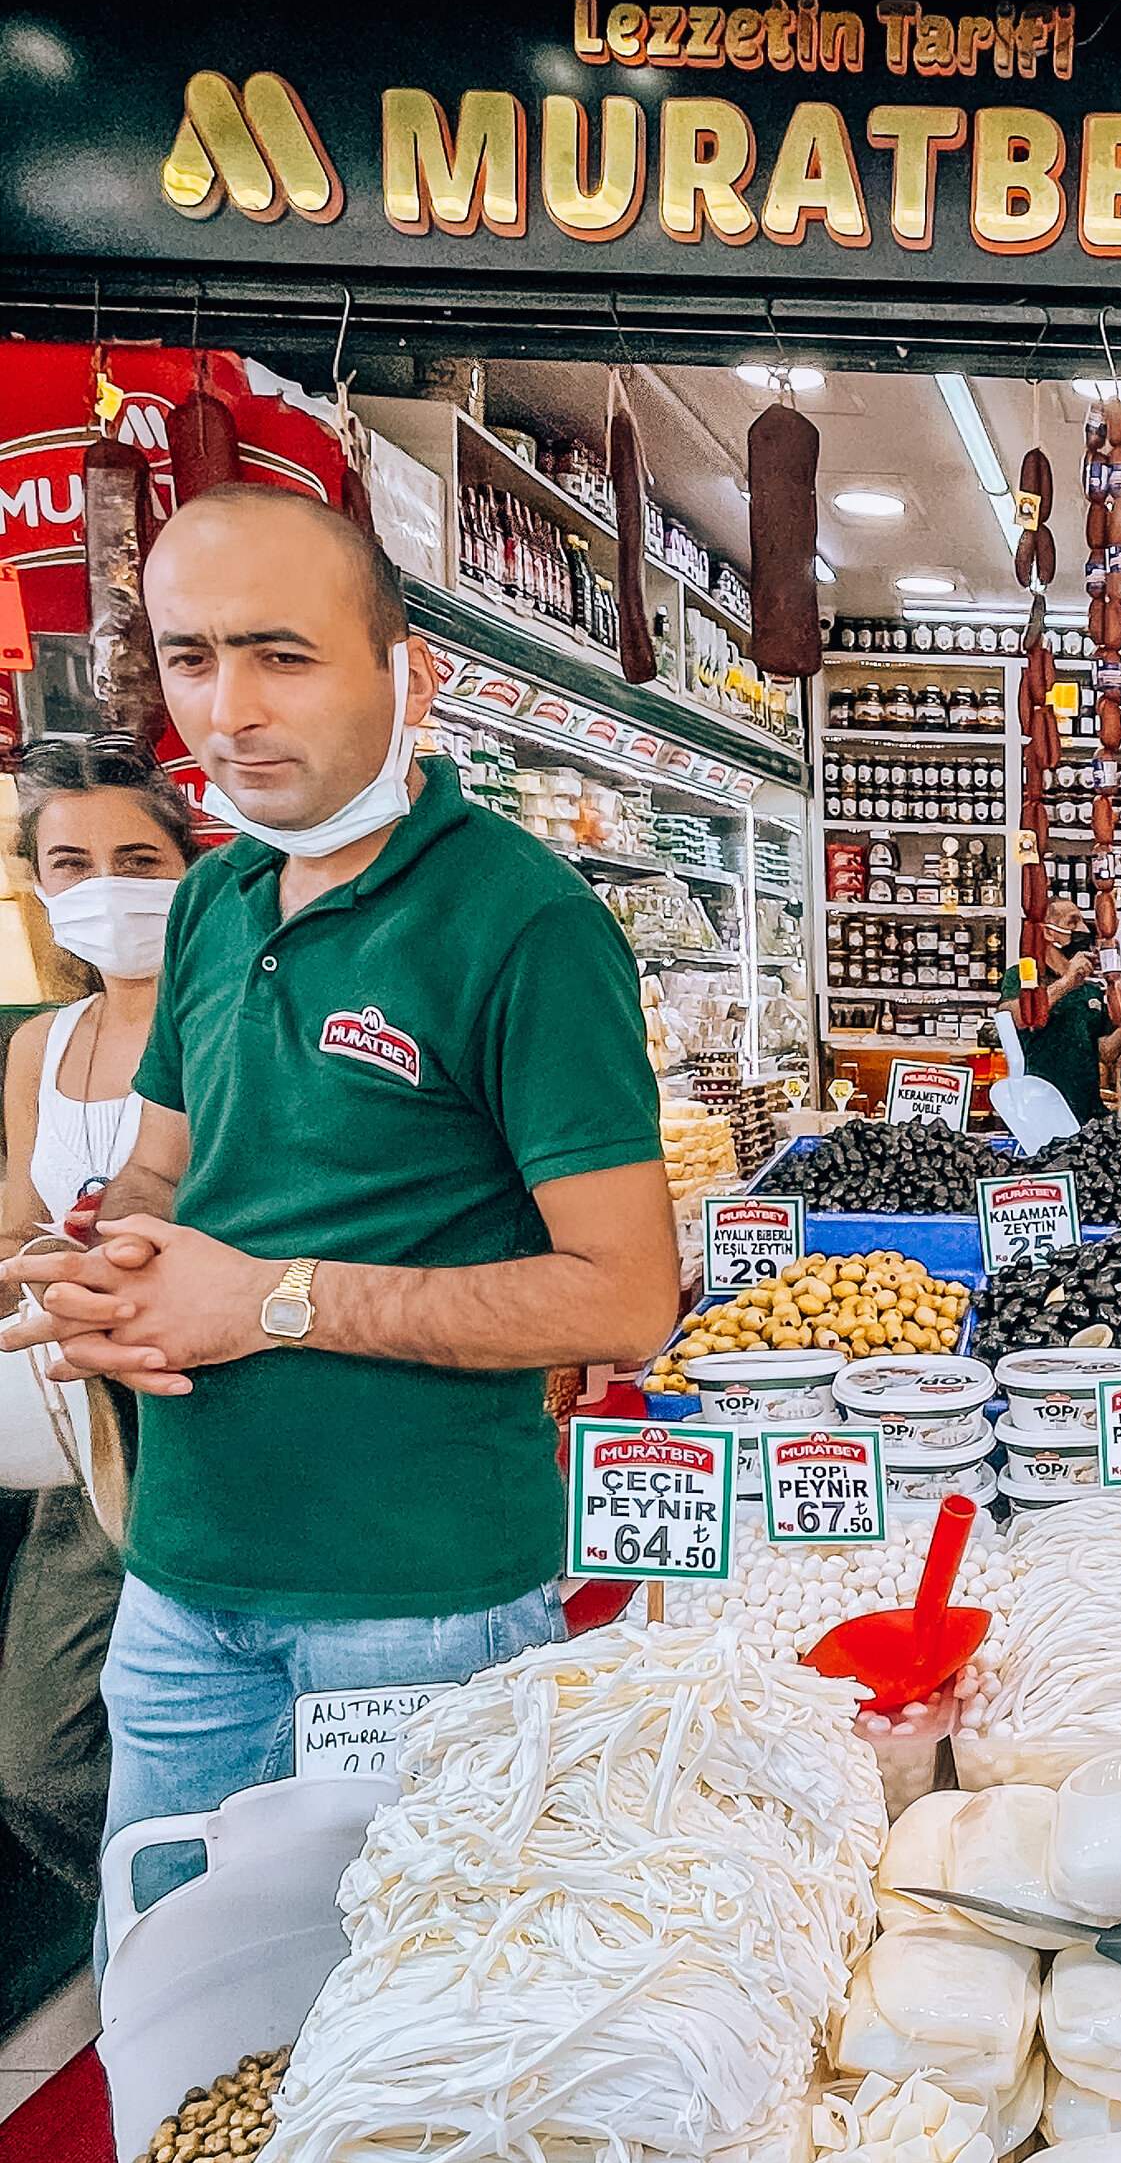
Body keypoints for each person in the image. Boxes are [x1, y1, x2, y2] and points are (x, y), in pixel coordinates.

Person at [0, 481, 680, 1847]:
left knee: (412, 2027)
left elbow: (623, 1299)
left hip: (420, 1602)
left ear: (404, 670)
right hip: (182, 1576)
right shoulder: (210, 896)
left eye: (281, 655)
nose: (230, 709)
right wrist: (103, 1265)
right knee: (176, 1989)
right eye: (192, 658)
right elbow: (160, 1173)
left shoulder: (524, 921)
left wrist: (270, 1298)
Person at [0, 740, 192, 1898]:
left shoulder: (235, 1024)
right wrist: (41, 1264)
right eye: (71, 861)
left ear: (190, 870)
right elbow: (20, 1217)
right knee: (42, 1755)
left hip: (211, 1420)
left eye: (138, 858)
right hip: (85, 1438)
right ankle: (147, 1925)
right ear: (36, 884)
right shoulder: (40, 1047)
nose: (106, 885)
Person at [1022, 896, 1113, 1123]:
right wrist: (1066, 983)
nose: (1083, 930)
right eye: (1073, 923)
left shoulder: (1090, 988)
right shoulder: (1025, 974)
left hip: (1088, 1110)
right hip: (1041, 1108)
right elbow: (1020, 1018)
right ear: (1047, 932)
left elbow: (1106, 1051)